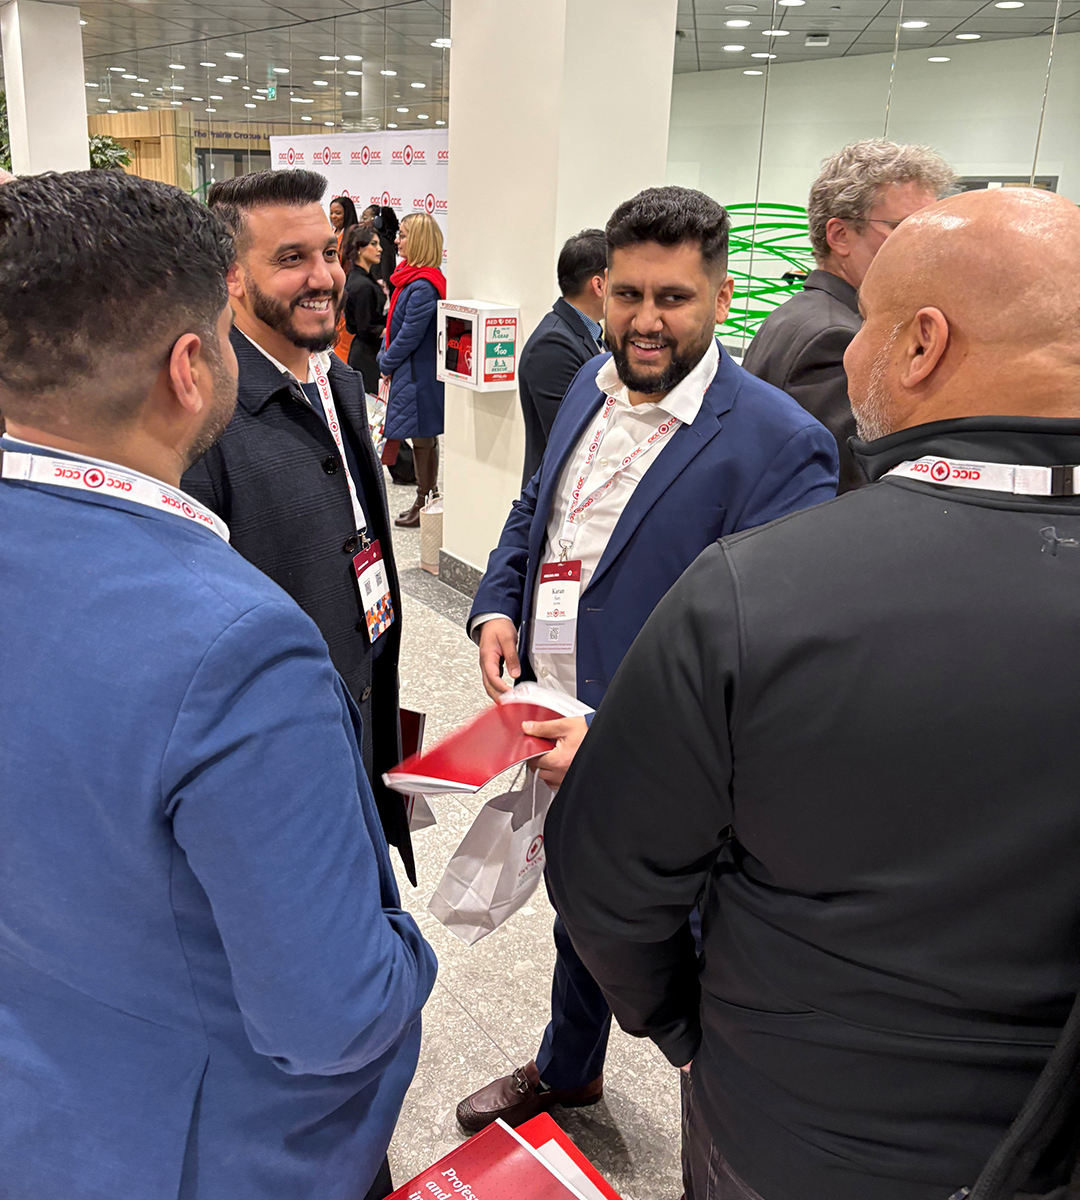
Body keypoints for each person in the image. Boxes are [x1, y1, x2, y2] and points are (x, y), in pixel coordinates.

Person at [546, 185, 1080, 1200]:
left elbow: (610, 879)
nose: (844, 347)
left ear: (920, 343)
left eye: (863, 320)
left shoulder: (760, 589)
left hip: (793, 1128)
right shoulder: (592, 389)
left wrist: (687, 1025)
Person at [0, 169, 436, 1200]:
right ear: (191, 366)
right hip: (204, 1147)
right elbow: (333, 1017)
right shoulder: (237, 647)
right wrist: (409, 952)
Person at [455, 186, 839, 1135]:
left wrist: (620, 744)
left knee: (701, 964)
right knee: (581, 900)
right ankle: (570, 1068)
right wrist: (496, 603)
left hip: (672, 767)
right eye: (628, 295)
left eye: (673, 297)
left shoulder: (780, 444)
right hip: (556, 714)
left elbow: (768, 656)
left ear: (722, 294)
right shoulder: (590, 384)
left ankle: (724, 1141)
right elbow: (536, 508)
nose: (646, 320)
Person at [181, 169, 415, 883]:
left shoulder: (336, 379)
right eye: (291, 259)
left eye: (328, 253)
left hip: (362, 699)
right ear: (231, 277)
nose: (323, 278)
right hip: (279, 764)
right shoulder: (205, 423)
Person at [742, 139, 953, 493]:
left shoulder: (796, 315)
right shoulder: (838, 339)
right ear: (840, 236)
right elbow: (849, 487)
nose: (926, 247)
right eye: (903, 228)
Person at [518, 228, 608, 486]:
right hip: (562, 492)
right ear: (599, 285)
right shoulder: (553, 344)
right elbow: (574, 437)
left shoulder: (591, 333)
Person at [378, 211, 446, 528]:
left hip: (419, 375)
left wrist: (385, 361)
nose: (396, 240)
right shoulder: (410, 280)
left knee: (423, 438)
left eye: (403, 235)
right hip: (412, 372)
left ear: (418, 241)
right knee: (422, 438)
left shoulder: (422, 286)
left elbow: (409, 335)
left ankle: (425, 500)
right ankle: (425, 498)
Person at [342, 224, 386, 393]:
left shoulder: (359, 279)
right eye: (373, 244)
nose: (380, 249)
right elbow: (366, 328)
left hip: (366, 354)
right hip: (367, 358)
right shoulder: (362, 286)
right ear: (360, 248)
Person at [330, 196, 361, 364]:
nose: (333, 217)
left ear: (347, 214)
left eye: (338, 213)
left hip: (343, 292)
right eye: (331, 213)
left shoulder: (351, 236)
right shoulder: (330, 234)